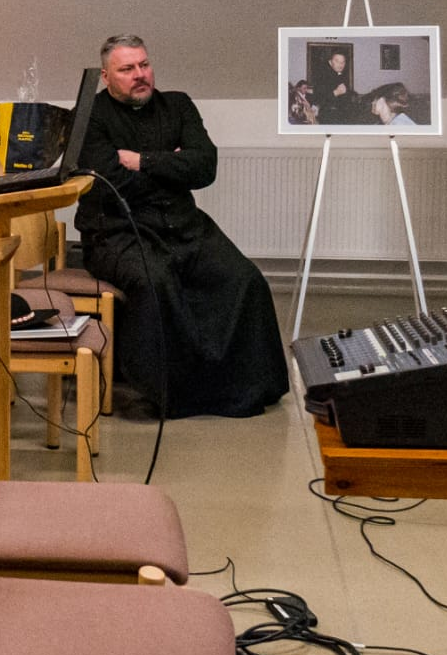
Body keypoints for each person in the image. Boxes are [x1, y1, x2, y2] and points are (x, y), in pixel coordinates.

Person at [76, 34, 290, 419]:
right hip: (118, 231)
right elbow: (107, 180)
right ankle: (167, 392)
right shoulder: (90, 116)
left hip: (184, 225)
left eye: (144, 64)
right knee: (156, 282)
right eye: (127, 69)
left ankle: (246, 385)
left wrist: (142, 161)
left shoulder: (178, 105)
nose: (140, 75)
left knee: (244, 278)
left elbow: (204, 166)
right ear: (106, 77)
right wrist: (172, 165)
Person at [314, 48, 358, 126]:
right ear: (330, 62)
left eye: (343, 62)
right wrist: (335, 93)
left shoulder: (340, 75)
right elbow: (319, 99)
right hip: (330, 117)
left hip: (341, 116)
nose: (340, 64)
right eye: (337, 61)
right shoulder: (323, 76)